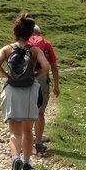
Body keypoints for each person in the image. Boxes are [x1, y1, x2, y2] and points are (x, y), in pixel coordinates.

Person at [0, 13, 50, 170]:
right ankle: (26, 162)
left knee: (14, 132)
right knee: (27, 130)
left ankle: (15, 157)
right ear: (31, 33)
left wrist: (7, 75)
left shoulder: (7, 49)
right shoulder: (35, 50)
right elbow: (46, 67)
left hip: (12, 90)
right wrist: (35, 74)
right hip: (29, 91)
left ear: (15, 31)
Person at [27, 24, 60, 154]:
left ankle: (25, 141)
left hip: (25, 80)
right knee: (40, 112)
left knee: (26, 112)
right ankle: (39, 142)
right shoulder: (46, 44)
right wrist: (56, 85)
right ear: (39, 33)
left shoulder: (23, 43)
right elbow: (53, 66)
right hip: (41, 80)